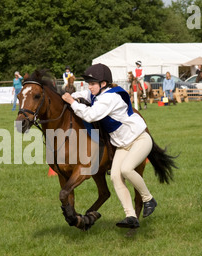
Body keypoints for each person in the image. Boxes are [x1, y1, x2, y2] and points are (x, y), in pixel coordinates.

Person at [61, 63, 157, 229]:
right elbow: (83, 93)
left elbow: (90, 115)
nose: (89, 87)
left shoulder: (109, 98)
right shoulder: (98, 93)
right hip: (122, 145)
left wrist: (72, 102)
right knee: (115, 177)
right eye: (89, 84)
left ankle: (149, 199)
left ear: (103, 84)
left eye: (92, 84)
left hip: (140, 139)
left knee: (126, 169)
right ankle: (131, 216)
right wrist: (71, 96)